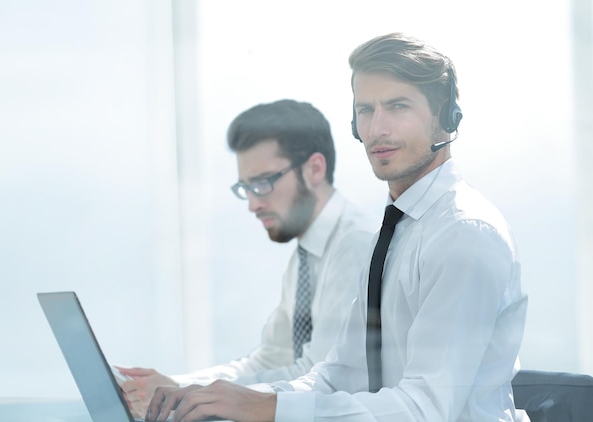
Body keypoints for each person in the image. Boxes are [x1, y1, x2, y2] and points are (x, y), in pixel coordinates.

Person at [144, 32, 529, 422]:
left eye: (398, 106)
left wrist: (268, 407)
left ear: (446, 117)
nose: (377, 128)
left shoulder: (464, 233)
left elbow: (425, 408)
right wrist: (226, 399)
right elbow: (336, 376)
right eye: (365, 110)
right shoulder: (398, 230)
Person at [118, 99, 379, 416]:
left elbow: (321, 376)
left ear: (314, 169)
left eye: (263, 183)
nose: (253, 205)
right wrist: (177, 387)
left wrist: (189, 396)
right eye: (246, 188)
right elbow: (273, 357)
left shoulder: (355, 245)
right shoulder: (309, 250)